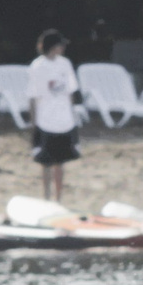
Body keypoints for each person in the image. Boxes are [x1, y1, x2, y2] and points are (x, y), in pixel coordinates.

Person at [27, 30, 81, 202]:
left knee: (60, 161)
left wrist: (72, 115)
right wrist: (33, 122)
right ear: (52, 46)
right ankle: (46, 197)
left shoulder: (65, 64)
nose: (63, 48)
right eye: (60, 45)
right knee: (46, 162)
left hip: (64, 120)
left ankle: (58, 198)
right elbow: (32, 96)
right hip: (45, 120)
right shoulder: (37, 66)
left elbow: (71, 91)